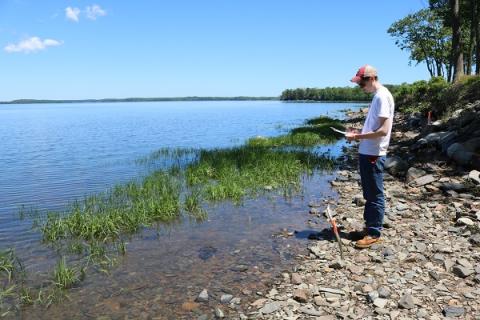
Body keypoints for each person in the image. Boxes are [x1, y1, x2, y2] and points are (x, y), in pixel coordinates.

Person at [345, 65, 395, 249]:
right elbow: (374, 128)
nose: (360, 86)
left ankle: (374, 232)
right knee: (369, 193)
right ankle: (369, 227)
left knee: (374, 194)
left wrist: (357, 137)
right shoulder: (377, 97)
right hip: (368, 151)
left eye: (362, 83)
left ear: (371, 78)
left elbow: (382, 131)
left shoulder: (382, 96)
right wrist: (359, 132)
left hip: (374, 153)